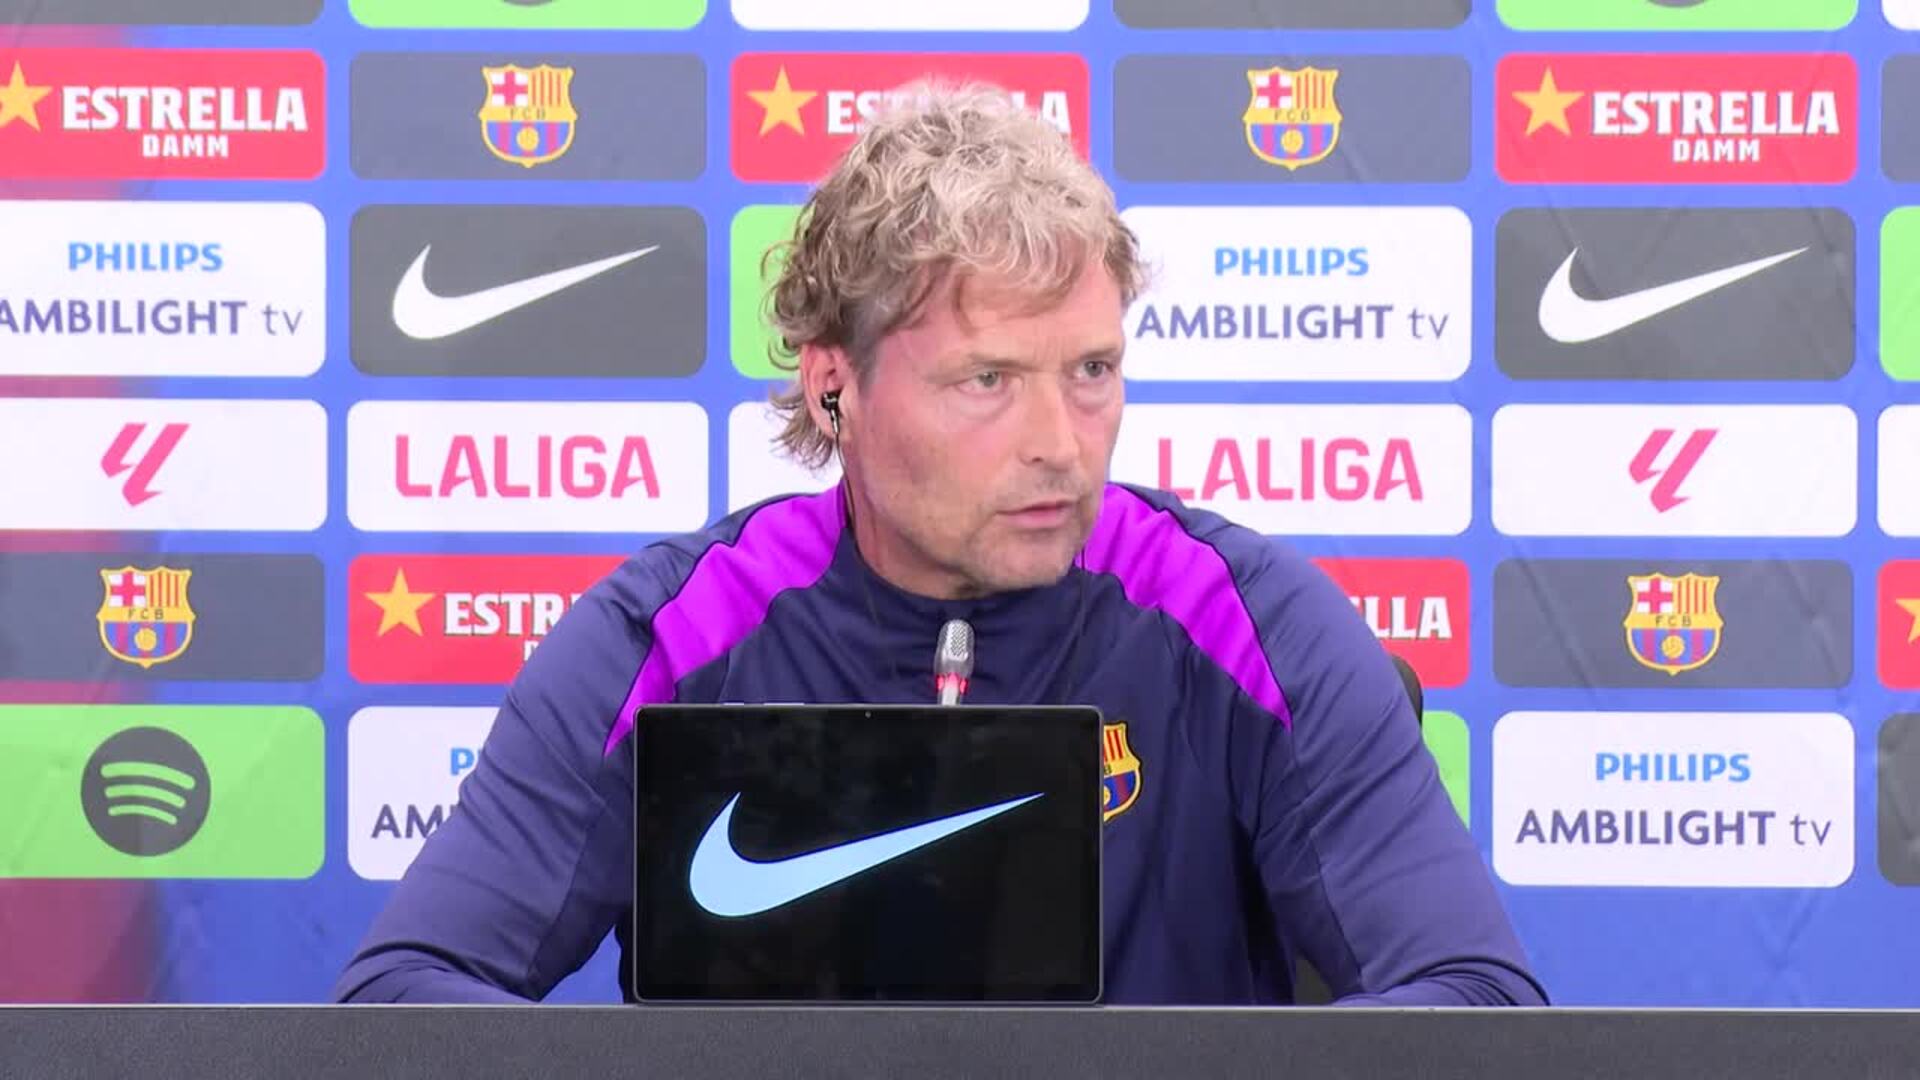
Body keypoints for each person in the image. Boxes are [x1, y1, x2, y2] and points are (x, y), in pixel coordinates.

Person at [332, 82, 1548, 1008]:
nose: (1059, 444)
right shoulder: (675, 633)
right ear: (835, 389)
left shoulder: (1240, 616)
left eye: (1091, 371)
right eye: (987, 381)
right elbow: (406, 996)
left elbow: (1475, 1000)